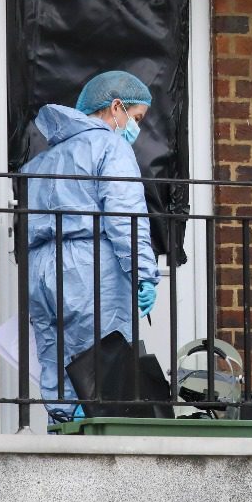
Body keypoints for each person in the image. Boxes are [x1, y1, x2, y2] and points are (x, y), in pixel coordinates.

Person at [22, 71, 160, 418]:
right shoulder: (110, 146)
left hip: (40, 270)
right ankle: (99, 442)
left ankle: (63, 433)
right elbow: (124, 215)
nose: (136, 128)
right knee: (105, 365)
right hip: (89, 269)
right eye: (137, 118)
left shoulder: (41, 161)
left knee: (56, 362)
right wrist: (144, 273)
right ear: (116, 107)